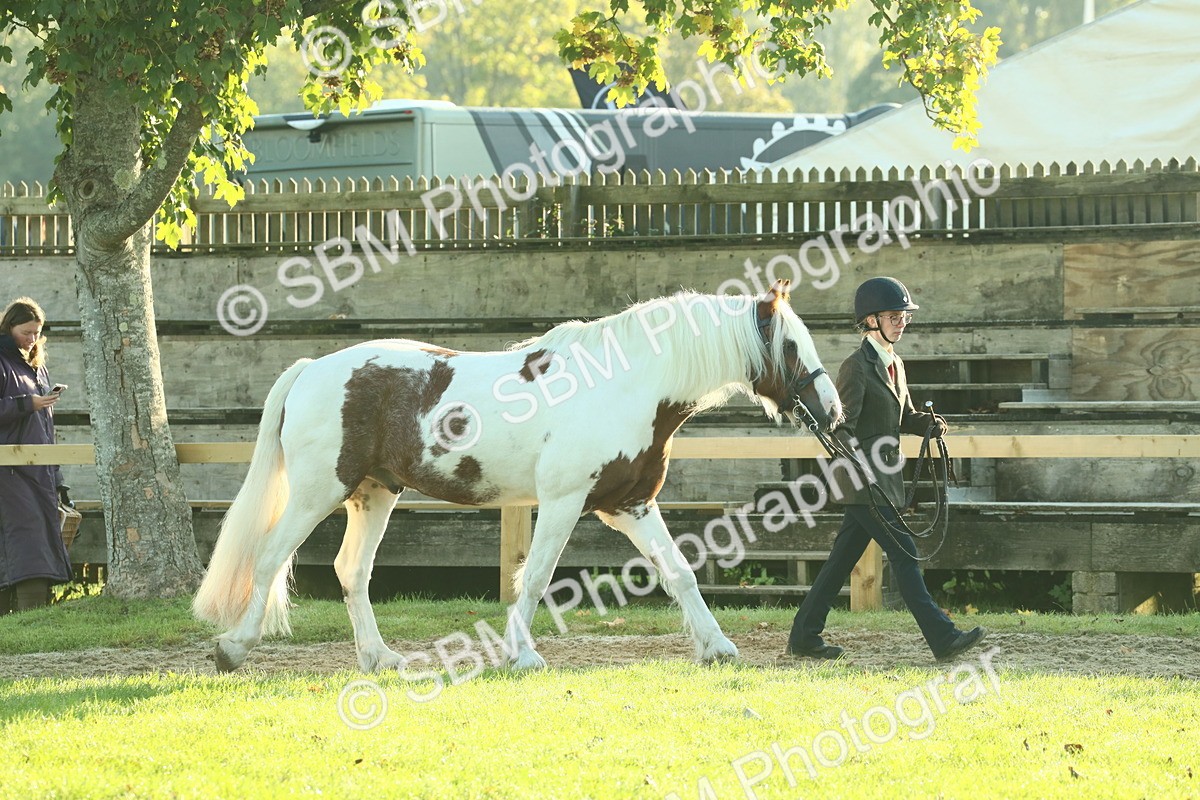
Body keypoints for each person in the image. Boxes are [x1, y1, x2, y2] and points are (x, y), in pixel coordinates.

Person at [787, 277, 987, 662]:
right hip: (865, 483)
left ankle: (804, 635)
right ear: (871, 321)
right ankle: (942, 638)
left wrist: (925, 425)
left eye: (903, 317)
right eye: (894, 317)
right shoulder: (855, 367)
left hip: (884, 482)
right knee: (906, 556)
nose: (901, 323)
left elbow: (902, 415)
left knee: (840, 562)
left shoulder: (895, 363)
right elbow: (839, 426)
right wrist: (860, 465)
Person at [0, 297, 72, 614]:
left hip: (38, 470)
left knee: (33, 538)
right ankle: (28, 616)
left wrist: (58, 479)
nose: (31, 339)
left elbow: (47, 431)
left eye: (36, 332)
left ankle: (31, 617)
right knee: (27, 538)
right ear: (9, 327)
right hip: (9, 470)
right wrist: (28, 403)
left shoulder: (36, 366)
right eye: (26, 332)